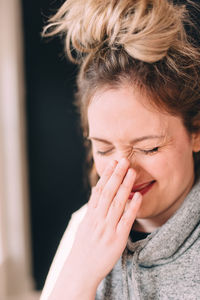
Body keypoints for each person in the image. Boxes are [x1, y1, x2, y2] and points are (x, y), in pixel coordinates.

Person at [40, 0, 200, 299]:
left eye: (149, 148)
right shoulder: (83, 226)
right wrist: (80, 273)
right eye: (103, 149)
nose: (123, 170)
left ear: (196, 132)